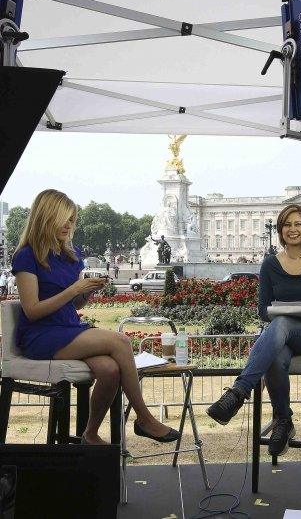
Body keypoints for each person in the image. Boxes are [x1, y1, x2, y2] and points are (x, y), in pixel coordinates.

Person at [12, 189, 179, 445]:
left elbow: (74, 304)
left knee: (110, 370)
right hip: (41, 335)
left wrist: (86, 292)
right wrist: (73, 290)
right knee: (120, 342)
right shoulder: (27, 256)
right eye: (63, 218)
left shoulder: (70, 255)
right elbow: (32, 310)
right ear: (46, 218)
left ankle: (89, 434)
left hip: (67, 328)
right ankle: (144, 418)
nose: (69, 225)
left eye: (72, 219)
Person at [206, 204, 301, 456]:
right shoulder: (270, 265)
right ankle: (284, 420)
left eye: (298, 224)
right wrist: (288, 311)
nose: (293, 229)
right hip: (283, 338)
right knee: (275, 354)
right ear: (280, 230)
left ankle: (240, 391)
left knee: (279, 325)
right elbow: (262, 310)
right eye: (287, 225)